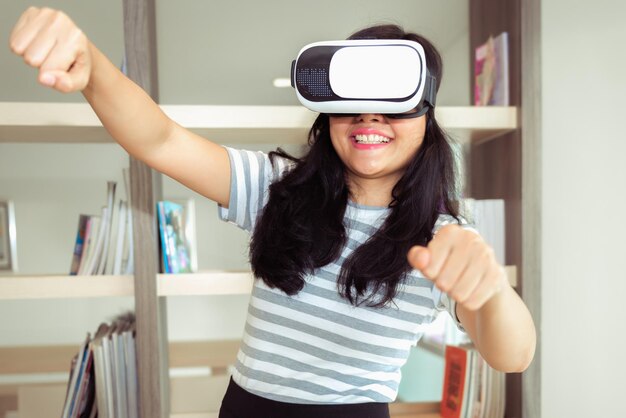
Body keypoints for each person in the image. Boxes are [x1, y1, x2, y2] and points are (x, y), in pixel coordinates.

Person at [9, 7, 536, 418]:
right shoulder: (274, 186)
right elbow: (162, 140)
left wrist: (489, 292)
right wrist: (93, 64)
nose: (369, 115)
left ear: (426, 115)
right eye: (352, 97)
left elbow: (514, 354)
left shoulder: (440, 242)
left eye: (394, 100)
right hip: (244, 409)